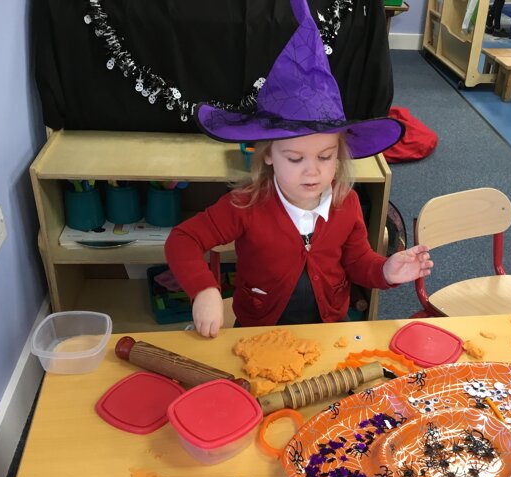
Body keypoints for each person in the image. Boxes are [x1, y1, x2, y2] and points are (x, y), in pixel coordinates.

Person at [165, 0, 433, 338]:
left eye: (325, 157)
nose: (313, 172)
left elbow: (358, 263)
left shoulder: (346, 203)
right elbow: (183, 239)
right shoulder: (246, 204)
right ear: (267, 154)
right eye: (295, 159)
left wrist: (385, 271)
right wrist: (204, 289)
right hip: (258, 333)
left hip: (327, 332)